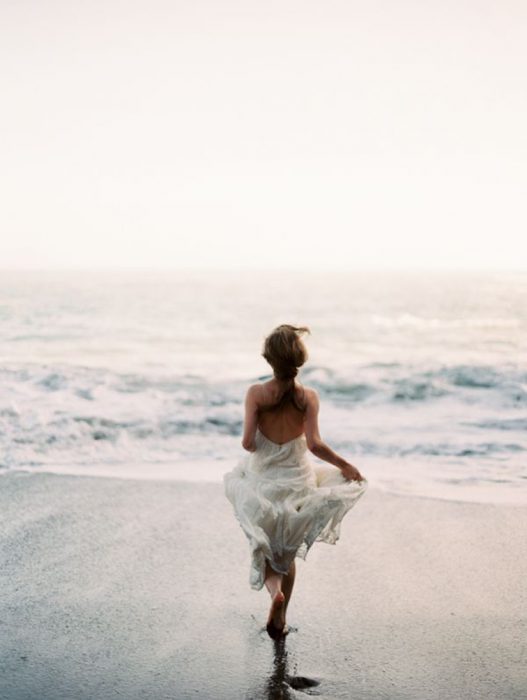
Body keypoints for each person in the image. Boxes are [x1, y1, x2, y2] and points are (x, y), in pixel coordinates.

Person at [224, 324, 367, 639]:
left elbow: (247, 444)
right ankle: (281, 617)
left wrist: (263, 433)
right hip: (298, 481)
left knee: (263, 546)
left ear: (268, 359)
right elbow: (315, 445)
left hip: (263, 481)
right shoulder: (309, 397)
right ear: (300, 360)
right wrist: (345, 465)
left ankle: (274, 593)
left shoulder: (256, 394)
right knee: (285, 552)